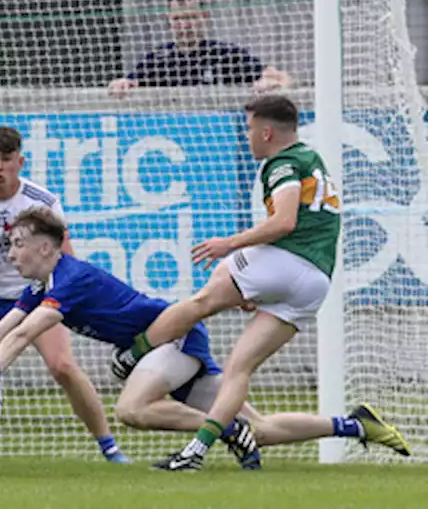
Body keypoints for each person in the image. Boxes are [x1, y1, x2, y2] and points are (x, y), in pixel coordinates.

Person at [105, 95, 409, 470]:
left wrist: (228, 245)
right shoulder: (312, 160)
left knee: (201, 302)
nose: (247, 136)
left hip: (286, 260)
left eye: (249, 129)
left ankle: (132, 354)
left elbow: (284, 223)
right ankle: (197, 454)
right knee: (238, 372)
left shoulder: (281, 163)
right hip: (315, 281)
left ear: (266, 132)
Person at [0, 206, 410, 469]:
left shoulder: (70, 278)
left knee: (133, 409)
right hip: (165, 350)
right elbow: (6, 328)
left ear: (47, 248)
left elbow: (26, 333)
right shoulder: (40, 287)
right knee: (256, 428)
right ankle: (355, 425)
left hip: (170, 341)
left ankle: (223, 431)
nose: (11, 254)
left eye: (18, 245)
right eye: (10, 246)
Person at [0, 126, 126, 463]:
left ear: (20, 162)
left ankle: (109, 446)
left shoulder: (42, 204)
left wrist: (52, 303)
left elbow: (65, 259)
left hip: (36, 297)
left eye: (6, 160)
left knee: (63, 367)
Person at [107, 0, 291, 97]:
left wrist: (270, 81)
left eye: (191, 17)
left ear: (204, 17)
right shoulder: (157, 59)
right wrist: (122, 84)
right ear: (168, 20)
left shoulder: (224, 54)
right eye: (178, 19)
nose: (185, 25)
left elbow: (283, 78)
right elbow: (128, 83)